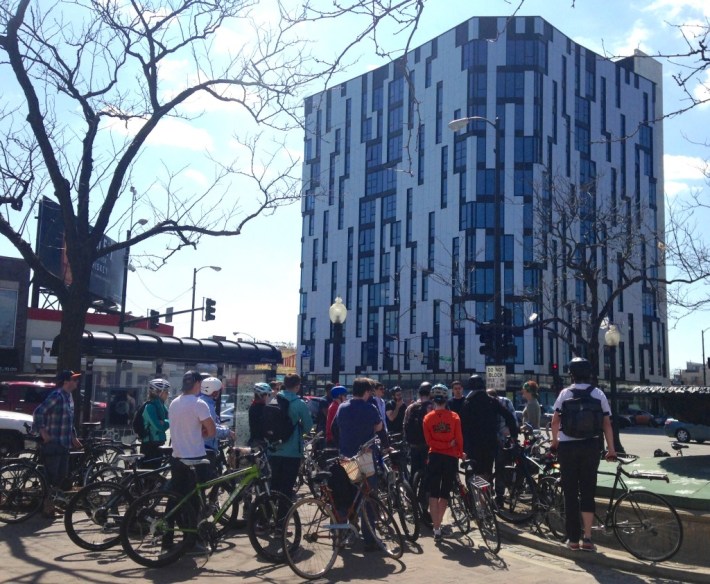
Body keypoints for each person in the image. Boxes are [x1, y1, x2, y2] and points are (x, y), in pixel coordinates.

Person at [551, 357, 616, 552]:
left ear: (571, 373)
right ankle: (588, 537)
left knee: (570, 493)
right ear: (589, 373)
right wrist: (611, 449)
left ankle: (573, 539)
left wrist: (555, 442)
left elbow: (555, 421)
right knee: (588, 491)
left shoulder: (565, 393)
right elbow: (607, 423)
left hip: (568, 448)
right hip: (591, 447)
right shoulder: (598, 394)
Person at [333, 377, 383, 551]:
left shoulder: (342, 407)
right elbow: (379, 428)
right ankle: (369, 537)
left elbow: (334, 428)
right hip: (365, 458)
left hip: (346, 457)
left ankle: (343, 533)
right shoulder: (370, 408)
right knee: (368, 496)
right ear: (367, 392)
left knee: (348, 495)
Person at [32, 369, 83, 517]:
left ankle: (51, 505)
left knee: (59, 478)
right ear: (66, 382)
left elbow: (68, 420)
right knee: (50, 477)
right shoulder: (57, 395)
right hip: (53, 442)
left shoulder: (68, 397)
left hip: (64, 443)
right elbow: (39, 412)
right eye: (73, 379)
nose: (76, 382)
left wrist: (73, 437)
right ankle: (46, 508)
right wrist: (43, 431)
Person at [423, 384, 463, 543]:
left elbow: (429, 441)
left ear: (433, 400)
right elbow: (459, 439)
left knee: (433, 492)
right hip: (450, 457)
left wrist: (441, 445)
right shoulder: (454, 417)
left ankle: (436, 528)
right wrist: (456, 450)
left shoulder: (427, 418)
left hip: (434, 456)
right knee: (444, 492)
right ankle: (439, 525)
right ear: (446, 400)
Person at [459, 375, 517, 483]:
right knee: (487, 470)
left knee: (472, 471)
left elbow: (461, 424)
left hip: (472, 443)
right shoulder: (491, 401)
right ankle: (487, 494)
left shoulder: (467, 403)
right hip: (490, 442)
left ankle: (475, 496)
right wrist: (513, 434)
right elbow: (509, 416)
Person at [268, 373, 313, 504]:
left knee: (273, 487)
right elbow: (308, 427)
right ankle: (282, 520)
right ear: (298, 386)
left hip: (273, 449)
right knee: (286, 489)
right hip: (292, 451)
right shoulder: (299, 403)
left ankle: (265, 518)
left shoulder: (273, 399)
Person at [198, 376, 236, 471]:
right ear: (214, 392)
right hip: (206, 447)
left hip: (202, 446)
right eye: (218, 391)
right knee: (207, 480)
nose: (219, 393)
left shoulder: (204, 402)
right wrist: (228, 432)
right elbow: (210, 428)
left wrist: (224, 428)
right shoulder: (207, 405)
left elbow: (212, 424)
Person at [403, 382, 434, 479]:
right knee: (428, 470)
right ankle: (427, 492)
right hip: (428, 445)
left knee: (414, 470)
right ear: (430, 393)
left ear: (419, 393)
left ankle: (412, 490)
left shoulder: (411, 407)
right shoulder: (432, 407)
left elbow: (404, 425)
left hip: (413, 444)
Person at [140, 379, 171, 467]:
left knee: (155, 474)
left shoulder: (162, 406)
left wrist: (165, 422)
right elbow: (159, 427)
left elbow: (169, 419)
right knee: (149, 475)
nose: (168, 394)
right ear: (159, 392)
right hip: (150, 444)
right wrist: (167, 422)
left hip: (158, 442)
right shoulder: (150, 407)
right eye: (166, 392)